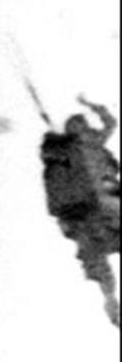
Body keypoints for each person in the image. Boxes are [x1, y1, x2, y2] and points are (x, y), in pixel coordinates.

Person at [40, 97, 121, 326]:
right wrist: (52, 143)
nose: (82, 128)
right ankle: (111, 301)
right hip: (89, 209)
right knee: (96, 258)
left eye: (82, 124)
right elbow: (51, 163)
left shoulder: (89, 143)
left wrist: (89, 104)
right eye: (78, 125)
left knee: (95, 255)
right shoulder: (68, 149)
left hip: (98, 206)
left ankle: (110, 300)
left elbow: (110, 121)